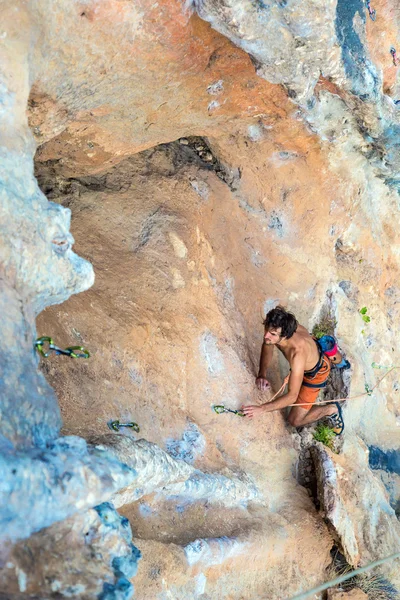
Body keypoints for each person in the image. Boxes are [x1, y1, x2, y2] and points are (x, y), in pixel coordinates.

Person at [242, 306, 344, 433]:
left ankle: (331, 409)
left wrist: (261, 409)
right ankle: (340, 362)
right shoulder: (284, 326)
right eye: (267, 330)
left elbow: (292, 396)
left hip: (316, 374)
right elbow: (268, 344)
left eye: (273, 334)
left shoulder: (297, 354)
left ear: (285, 336)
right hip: (311, 353)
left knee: (294, 420)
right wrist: (262, 374)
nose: (266, 335)